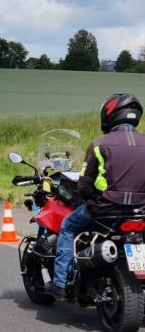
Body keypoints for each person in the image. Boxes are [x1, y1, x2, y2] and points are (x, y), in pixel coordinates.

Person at [49, 93, 145, 299]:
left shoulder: (99, 143)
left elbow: (85, 184)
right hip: (140, 211)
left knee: (67, 227)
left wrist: (88, 197)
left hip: (106, 208)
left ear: (110, 115)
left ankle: (59, 282)